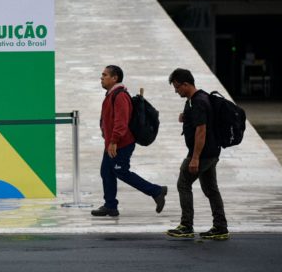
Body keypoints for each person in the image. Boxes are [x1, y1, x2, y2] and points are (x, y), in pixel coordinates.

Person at [91, 65, 167, 217]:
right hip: (112, 143)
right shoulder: (111, 94)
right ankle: (110, 205)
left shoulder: (120, 96)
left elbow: (121, 121)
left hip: (121, 143)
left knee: (121, 171)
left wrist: (113, 141)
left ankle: (156, 191)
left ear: (115, 78)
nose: (102, 77)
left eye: (105, 75)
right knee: (106, 171)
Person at [167, 68, 229, 240]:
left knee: (183, 183)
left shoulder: (198, 102)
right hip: (212, 151)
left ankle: (186, 225)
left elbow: (201, 131)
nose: (176, 90)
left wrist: (194, 158)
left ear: (186, 84)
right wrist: (186, 117)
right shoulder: (199, 98)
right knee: (211, 189)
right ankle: (220, 227)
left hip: (202, 154)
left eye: (177, 87)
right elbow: (201, 122)